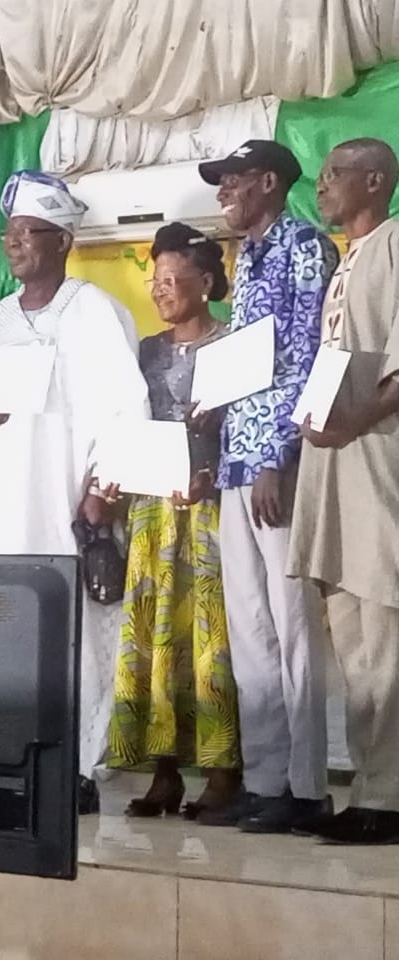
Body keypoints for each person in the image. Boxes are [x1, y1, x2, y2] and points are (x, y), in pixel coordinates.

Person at [0, 171, 149, 813]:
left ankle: (79, 766)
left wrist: (100, 492)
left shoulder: (93, 310)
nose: (13, 244)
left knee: (76, 638)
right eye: (7, 234)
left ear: (62, 240)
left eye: (27, 233)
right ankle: (3, 757)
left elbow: (127, 408)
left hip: (65, 504)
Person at [196, 140, 338, 832]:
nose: (223, 191)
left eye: (233, 180)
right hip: (235, 462)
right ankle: (266, 779)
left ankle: (308, 787)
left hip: (278, 464)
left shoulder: (303, 247)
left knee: (294, 628)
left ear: (270, 182)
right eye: (219, 181)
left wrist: (279, 454)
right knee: (250, 631)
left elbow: (308, 353)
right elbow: (249, 363)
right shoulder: (245, 256)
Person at [107, 223, 241, 818]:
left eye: (172, 278)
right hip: (153, 513)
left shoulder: (234, 345)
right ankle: (163, 769)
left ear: (206, 281)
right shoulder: (145, 353)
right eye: (154, 280)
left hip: (211, 511)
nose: (160, 290)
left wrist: (215, 469)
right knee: (155, 638)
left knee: (213, 641)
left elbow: (250, 427)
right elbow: (126, 425)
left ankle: (221, 771)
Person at [291, 138, 399, 844]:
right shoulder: (345, 260)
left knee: (385, 631)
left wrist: (352, 422)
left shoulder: (393, 245)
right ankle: (368, 784)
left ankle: (388, 796)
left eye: (336, 173)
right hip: (335, 462)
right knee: (353, 636)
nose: (323, 184)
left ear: (376, 180)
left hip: (376, 459)